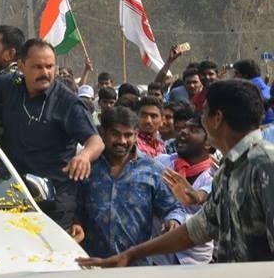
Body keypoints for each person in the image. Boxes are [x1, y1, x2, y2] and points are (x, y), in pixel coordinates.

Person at [78, 79, 274, 267]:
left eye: (203, 111)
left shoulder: (265, 164)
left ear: (217, 118)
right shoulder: (229, 169)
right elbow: (198, 228)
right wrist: (131, 255)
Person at [0, 38, 103, 230]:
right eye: (38, 67)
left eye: (50, 66)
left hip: (54, 204)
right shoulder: (11, 85)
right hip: (14, 197)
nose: (45, 73)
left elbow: (96, 141)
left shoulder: (68, 102)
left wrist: (84, 156)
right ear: (22, 66)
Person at [71, 106, 184, 264]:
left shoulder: (152, 170)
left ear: (136, 135)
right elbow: (75, 208)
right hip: (92, 263)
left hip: (136, 266)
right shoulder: (88, 167)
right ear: (103, 134)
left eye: (128, 135)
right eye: (115, 134)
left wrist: (173, 220)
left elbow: (173, 207)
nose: (122, 141)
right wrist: (76, 223)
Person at [155, 116, 215, 264]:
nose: (183, 132)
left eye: (193, 130)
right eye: (184, 128)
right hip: (158, 259)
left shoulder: (215, 177)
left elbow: (210, 222)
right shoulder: (162, 163)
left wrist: (177, 219)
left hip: (195, 262)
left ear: (208, 142)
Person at [232, 59, 274, 126]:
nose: (233, 77)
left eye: (236, 73)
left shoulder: (246, 96)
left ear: (245, 76)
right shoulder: (270, 90)